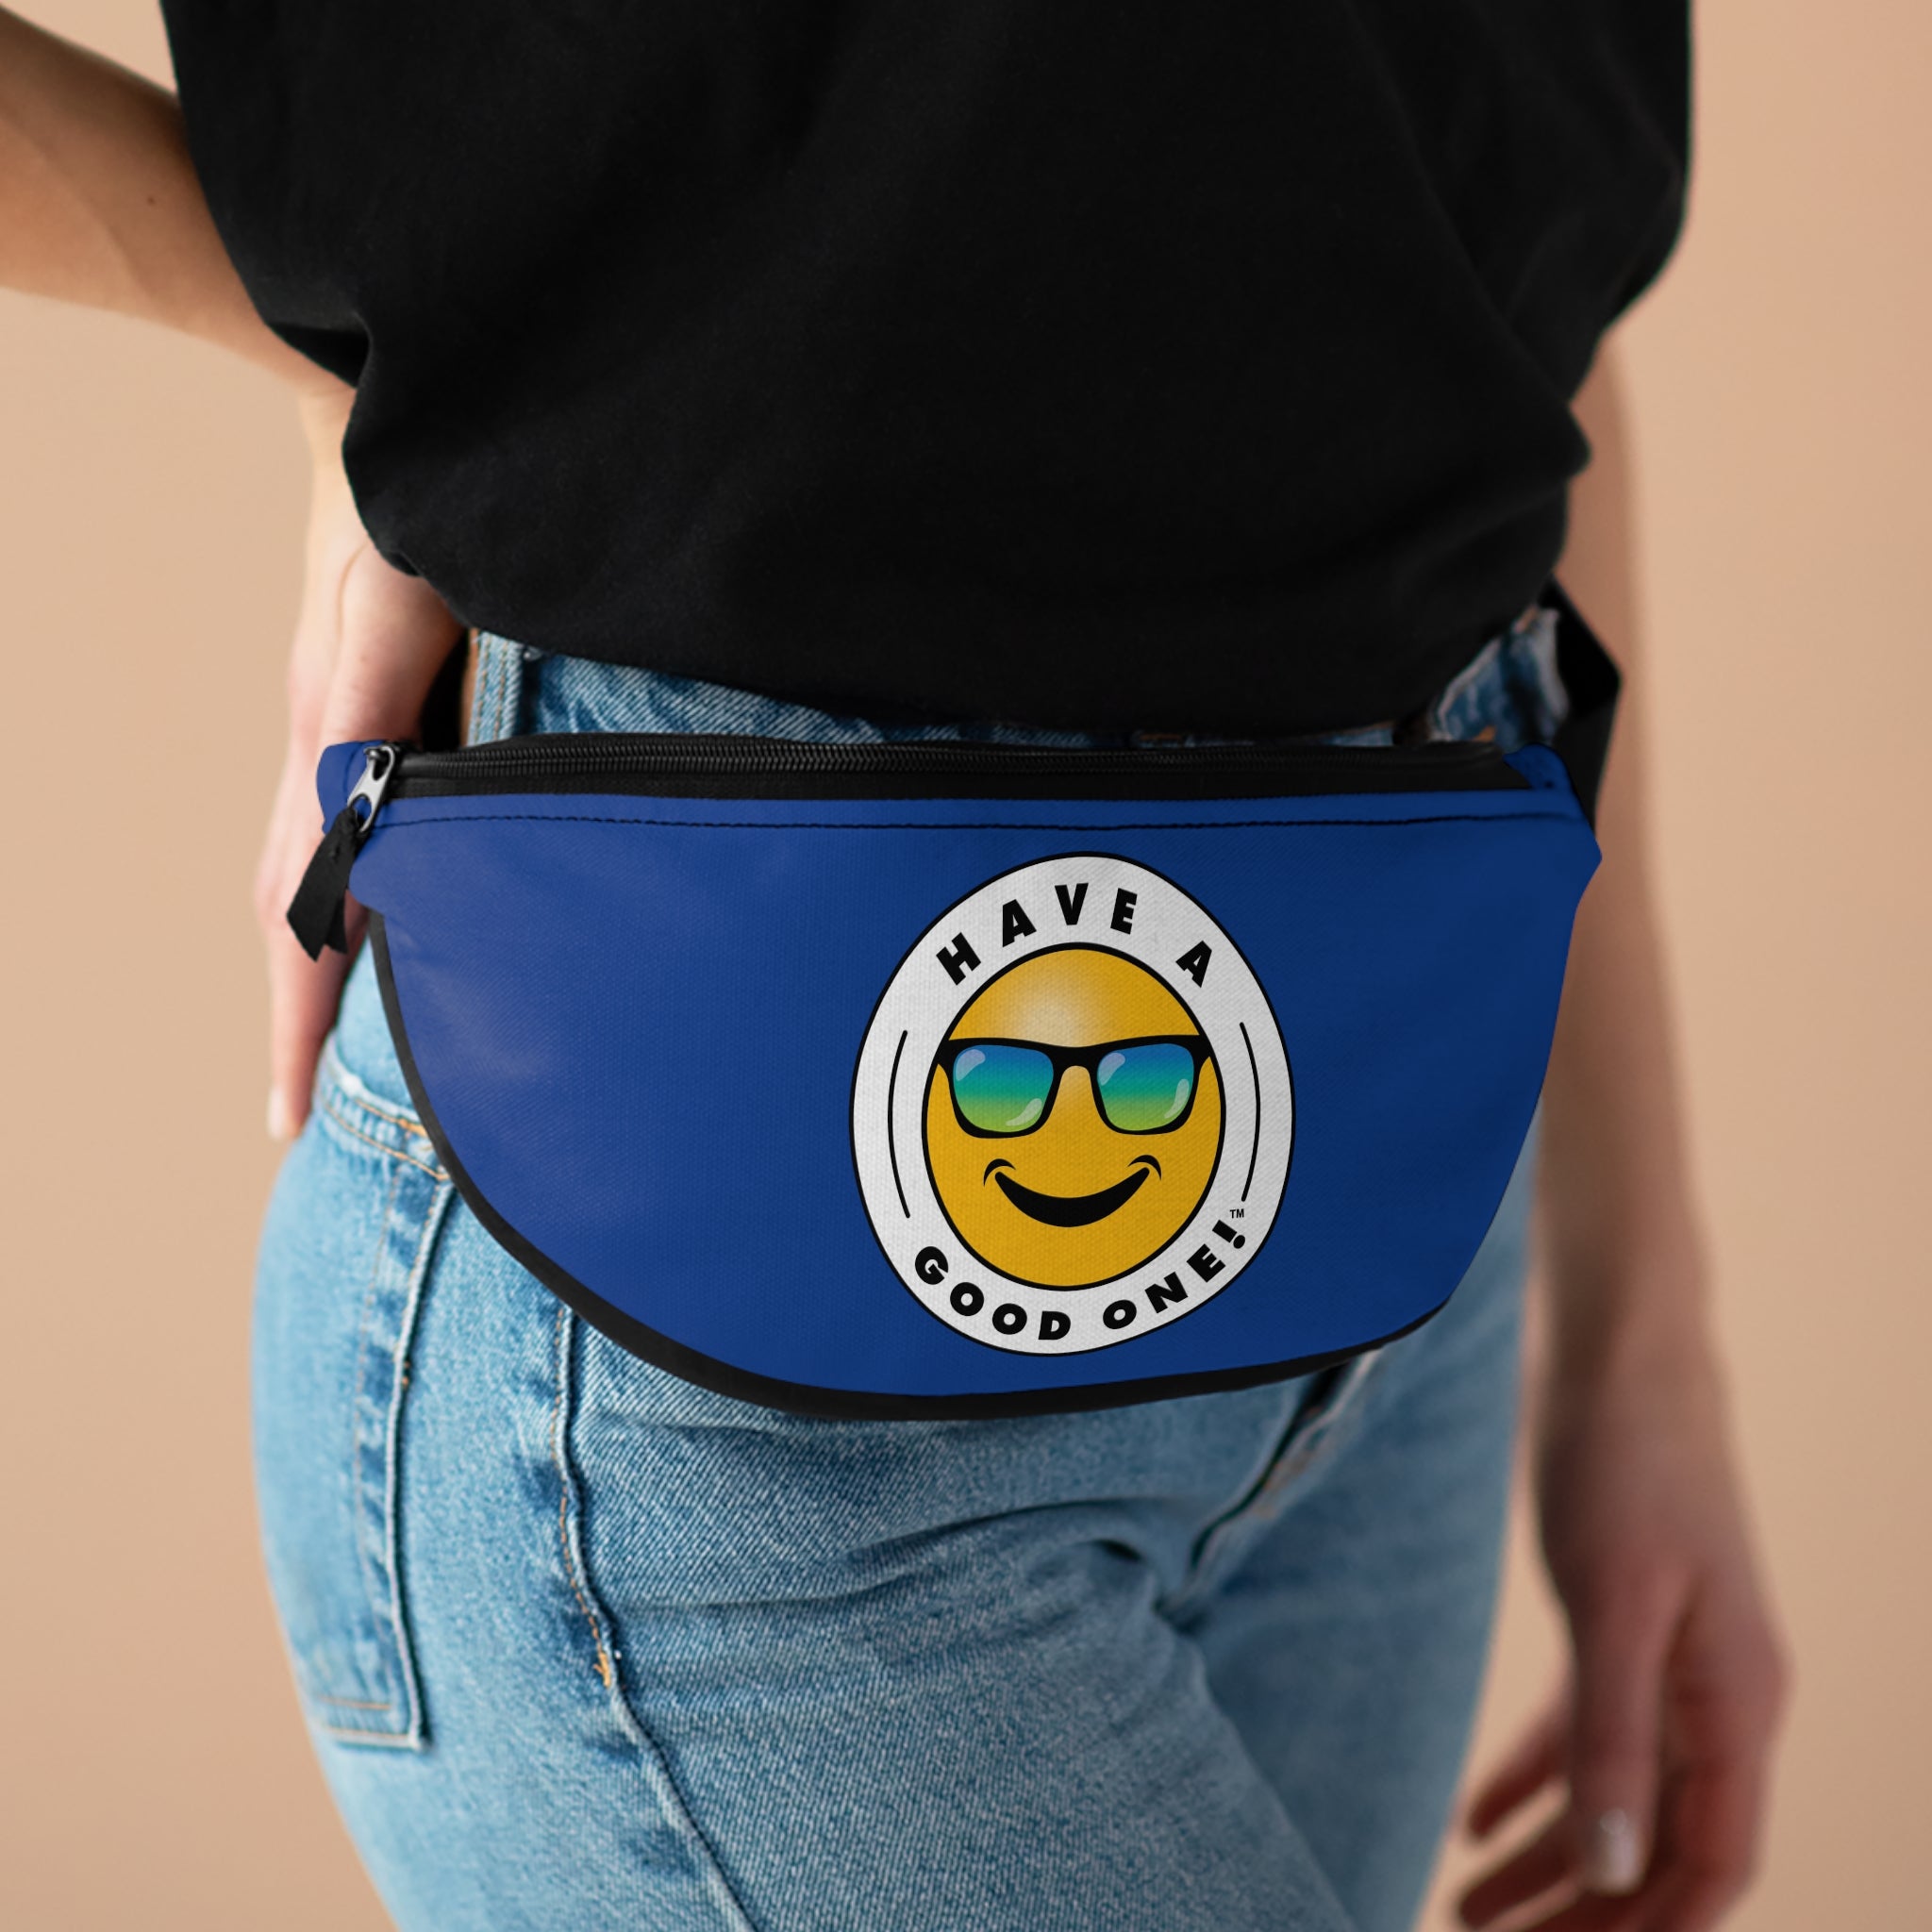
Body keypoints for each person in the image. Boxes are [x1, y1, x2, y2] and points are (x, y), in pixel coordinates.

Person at [0, 8, 1787, 1929]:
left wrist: (1641, 1329)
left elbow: (1502, 269)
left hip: (1400, 1177)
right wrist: (357, 376)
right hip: (717, 1347)